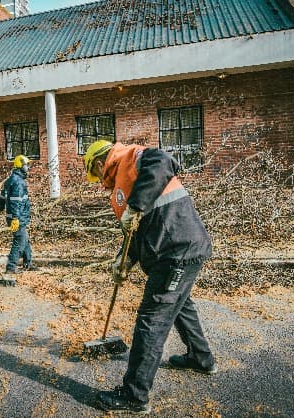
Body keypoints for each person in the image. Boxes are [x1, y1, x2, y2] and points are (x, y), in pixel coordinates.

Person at [82, 140, 216, 414]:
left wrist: (135, 207)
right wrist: (124, 261)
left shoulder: (135, 158)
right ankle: (201, 358)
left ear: (99, 163)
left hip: (177, 249)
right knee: (181, 306)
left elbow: (165, 162)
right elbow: (136, 232)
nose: (99, 183)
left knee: (151, 318)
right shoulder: (123, 182)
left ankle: (135, 395)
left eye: (96, 177)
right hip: (172, 251)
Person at [4, 155, 39, 275]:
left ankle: (28, 263)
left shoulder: (11, 179)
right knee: (20, 240)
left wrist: (0, 208)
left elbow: (2, 196)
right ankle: (11, 267)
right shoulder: (18, 182)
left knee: (25, 239)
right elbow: (16, 202)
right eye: (26, 165)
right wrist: (15, 218)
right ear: (20, 166)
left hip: (15, 216)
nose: (28, 167)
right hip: (17, 217)